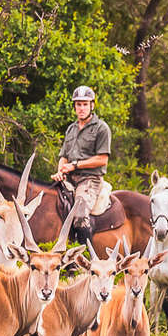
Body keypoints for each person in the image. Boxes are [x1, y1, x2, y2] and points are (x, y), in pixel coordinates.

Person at [53, 85, 111, 243]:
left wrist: (75, 165)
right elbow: (63, 156)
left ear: (92, 105)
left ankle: (87, 258)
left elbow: (102, 159)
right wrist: (60, 171)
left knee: (79, 215)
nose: (82, 108)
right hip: (69, 178)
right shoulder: (71, 129)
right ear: (74, 107)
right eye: (78, 104)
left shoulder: (101, 128)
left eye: (85, 104)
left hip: (90, 180)